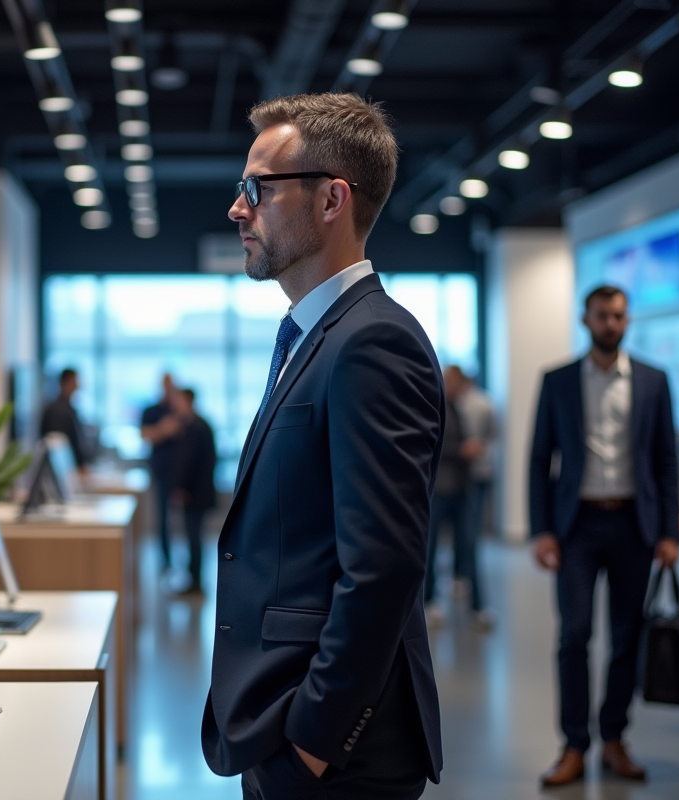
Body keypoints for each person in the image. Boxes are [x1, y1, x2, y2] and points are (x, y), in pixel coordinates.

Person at [202, 92, 443, 800]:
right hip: (281, 718)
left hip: (336, 755)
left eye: (257, 189)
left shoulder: (373, 342)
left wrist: (312, 744)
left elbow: (384, 569)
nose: (237, 209)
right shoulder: (320, 334)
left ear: (332, 199)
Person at [529, 285, 679, 787]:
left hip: (635, 525)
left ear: (627, 320)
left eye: (618, 316)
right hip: (577, 527)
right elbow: (538, 460)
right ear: (585, 319)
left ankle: (614, 737)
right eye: (602, 316)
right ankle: (574, 745)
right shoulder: (558, 381)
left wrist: (669, 530)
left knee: (626, 638)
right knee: (574, 635)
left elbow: (665, 460)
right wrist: (542, 530)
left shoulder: (654, 382)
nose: (611, 323)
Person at [423, 369, 469, 629]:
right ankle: (429, 600)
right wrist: (462, 450)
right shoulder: (433, 406)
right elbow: (432, 445)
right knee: (431, 549)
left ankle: (473, 602)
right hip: (439, 490)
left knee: (466, 546)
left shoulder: (457, 409)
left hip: (459, 489)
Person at [452, 366, 496, 630]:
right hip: (449, 483)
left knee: (470, 538)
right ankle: (456, 579)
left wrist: (478, 448)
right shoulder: (442, 402)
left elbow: (492, 435)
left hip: (476, 478)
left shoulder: (483, 405)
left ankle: (473, 597)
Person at [171, 388, 216, 595]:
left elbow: (190, 463)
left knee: (194, 537)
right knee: (193, 536)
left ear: (187, 401)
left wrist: (182, 488)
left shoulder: (195, 427)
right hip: (198, 492)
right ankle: (193, 579)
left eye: (179, 400)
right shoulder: (199, 425)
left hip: (195, 494)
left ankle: (195, 583)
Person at [141, 374, 184, 570]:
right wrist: (163, 430)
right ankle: (166, 560)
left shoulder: (180, 411)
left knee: (188, 517)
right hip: (161, 471)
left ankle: (188, 563)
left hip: (183, 472)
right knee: (163, 518)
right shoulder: (151, 411)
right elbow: (145, 436)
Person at [40, 368, 88, 473]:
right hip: (63, 471)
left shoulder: (68, 408)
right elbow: (58, 447)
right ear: (67, 381)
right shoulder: (57, 410)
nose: (78, 385)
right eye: (75, 380)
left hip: (69, 470)